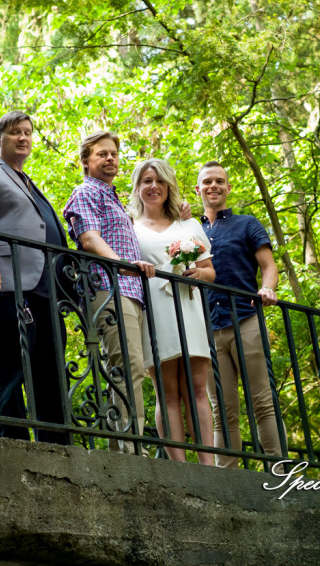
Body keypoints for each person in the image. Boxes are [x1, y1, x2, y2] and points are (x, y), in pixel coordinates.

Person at [0, 110, 70, 445]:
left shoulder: (29, 182)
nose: (23, 138)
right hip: (5, 285)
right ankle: (10, 444)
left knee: (50, 372)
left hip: (44, 290)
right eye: (14, 133)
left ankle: (57, 446)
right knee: (9, 366)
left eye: (27, 132)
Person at [63, 130, 156, 454]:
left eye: (114, 154)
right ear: (87, 161)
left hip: (131, 293)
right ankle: (133, 450)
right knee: (128, 367)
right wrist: (124, 265)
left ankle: (124, 448)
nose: (110, 159)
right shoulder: (87, 192)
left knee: (130, 368)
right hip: (108, 287)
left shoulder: (114, 198)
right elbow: (89, 239)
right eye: (102, 154)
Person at [129, 158, 216, 465]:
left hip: (188, 306)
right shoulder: (130, 226)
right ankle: (179, 466)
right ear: (138, 188)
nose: (154, 187)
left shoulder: (188, 224)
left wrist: (198, 275)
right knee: (166, 390)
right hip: (155, 308)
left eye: (160, 181)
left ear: (169, 187)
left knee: (196, 386)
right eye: (147, 181)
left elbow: (209, 271)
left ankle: (209, 464)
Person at [196, 161, 284, 466]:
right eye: (207, 182)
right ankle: (228, 481)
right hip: (207, 328)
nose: (214, 186)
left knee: (263, 402)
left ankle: (280, 473)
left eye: (220, 181)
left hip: (245, 319)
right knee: (222, 409)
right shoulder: (190, 230)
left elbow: (269, 266)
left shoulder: (247, 223)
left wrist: (268, 289)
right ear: (199, 189)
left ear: (228, 187)